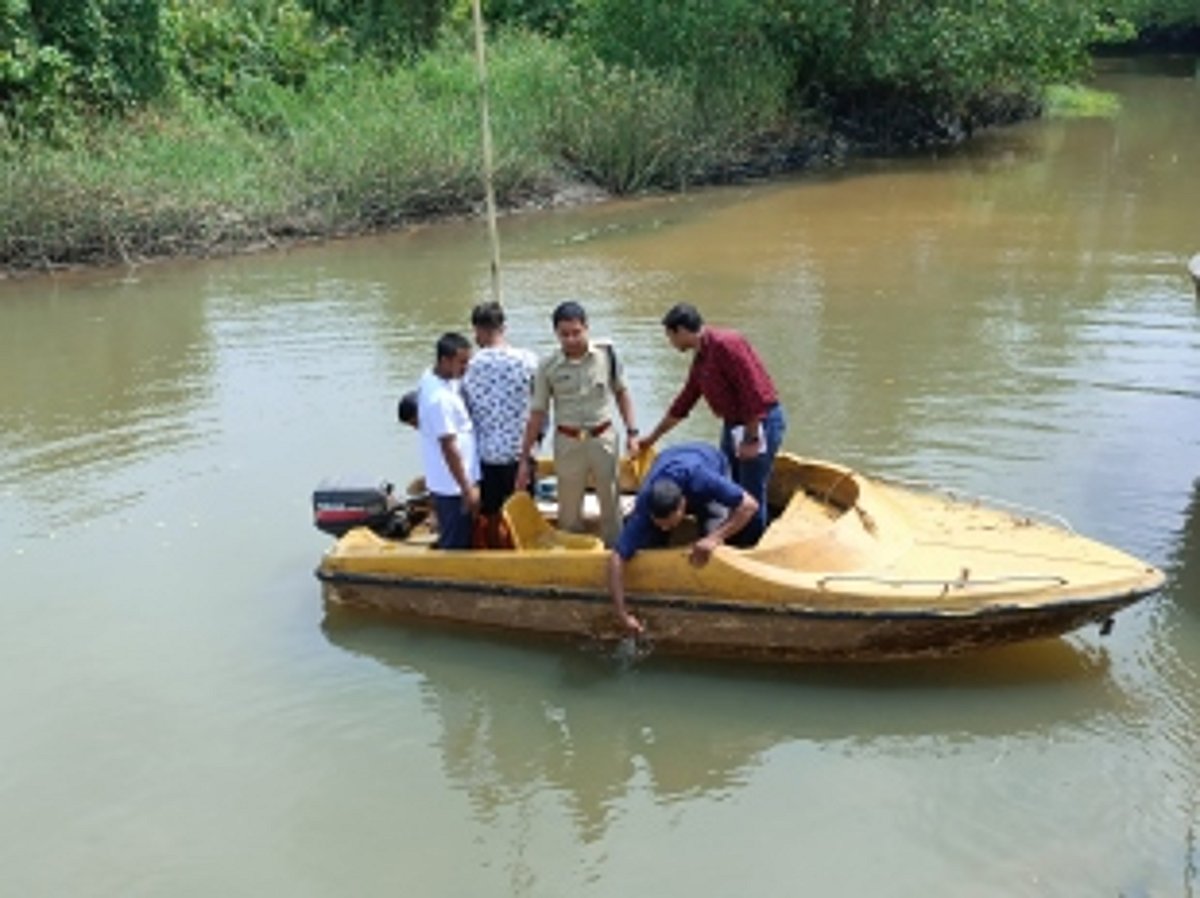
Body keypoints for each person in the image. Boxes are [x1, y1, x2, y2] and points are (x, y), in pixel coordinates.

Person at [640, 302, 786, 546]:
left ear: (681, 332)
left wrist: (752, 439)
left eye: (670, 336)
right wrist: (652, 438)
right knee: (730, 484)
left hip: (759, 421)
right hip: (734, 425)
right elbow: (683, 403)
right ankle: (732, 537)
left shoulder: (727, 344)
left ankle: (749, 549)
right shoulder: (702, 359)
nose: (670, 343)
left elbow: (754, 392)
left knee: (749, 491)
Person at [515, 301, 639, 547]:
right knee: (568, 507)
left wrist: (632, 432)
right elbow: (537, 412)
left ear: (586, 328)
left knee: (611, 502)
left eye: (576, 332)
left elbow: (622, 393)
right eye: (564, 334)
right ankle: (574, 553)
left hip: (603, 438)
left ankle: (616, 551)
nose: (571, 339)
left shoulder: (606, 356)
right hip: (568, 441)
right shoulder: (547, 366)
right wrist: (525, 456)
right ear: (556, 334)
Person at [608, 442, 758, 633]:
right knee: (652, 543)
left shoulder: (704, 481)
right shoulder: (644, 505)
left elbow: (750, 505)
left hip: (708, 458)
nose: (665, 527)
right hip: (668, 457)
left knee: (712, 537)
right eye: (659, 523)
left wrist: (714, 538)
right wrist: (621, 614)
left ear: (683, 506)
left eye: (669, 523)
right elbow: (616, 558)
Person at [461, 301, 538, 548]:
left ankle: (495, 551)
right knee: (523, 513)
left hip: (486, 455)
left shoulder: (469, 367)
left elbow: (465, 411)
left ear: (478, 330)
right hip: (520, 453)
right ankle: (523, 552)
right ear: (503, 327)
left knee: (491, 514)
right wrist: (536, 444)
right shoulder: (528, 361)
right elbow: (540, 409)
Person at [417, 332, 479, 550]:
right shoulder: (439, 400)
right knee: (457, 543)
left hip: (448, 482)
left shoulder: (433, 378)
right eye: (462, 362)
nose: (466, 368)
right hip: (452, 487)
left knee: (460, 535)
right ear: (445, 361)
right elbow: (448, 446)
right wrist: (466, 488)